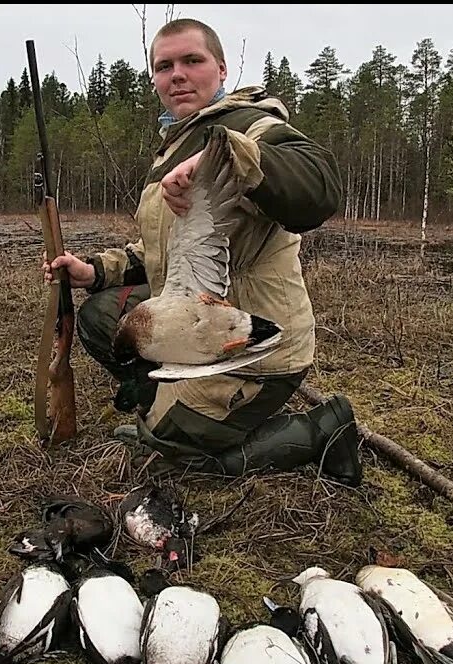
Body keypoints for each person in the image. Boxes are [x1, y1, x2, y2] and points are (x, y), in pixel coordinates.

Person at [41, 17, 362, 486]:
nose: (177, 75)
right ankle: (171, 401)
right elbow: (158, 247)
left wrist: (232, 156)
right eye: (164, 65)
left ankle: (322, 429)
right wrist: (93, 271)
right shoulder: (175, 144)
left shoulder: (253, 126)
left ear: (221, 68)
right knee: (103, 317)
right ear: (153, 78)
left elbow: (319, 189)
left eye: (192, 60)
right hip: (196, 323)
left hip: (254, 345)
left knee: (168, 452)